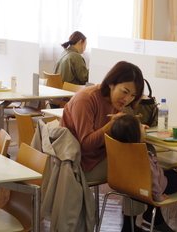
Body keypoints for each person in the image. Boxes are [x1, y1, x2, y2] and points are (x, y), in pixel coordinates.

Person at [60, 61, 152, 232]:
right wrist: (110, 126)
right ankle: (132, 224)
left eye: (133, 95)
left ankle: (142, 217)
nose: (127, 99)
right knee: (139, 165)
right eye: (125, 92)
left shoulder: (114, 102)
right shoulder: (86, 99)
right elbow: (86, 144)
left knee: (145, 155)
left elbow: (109, 136)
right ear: (111, 83)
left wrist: (133, 129)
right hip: (79, 164)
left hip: (97, 155)